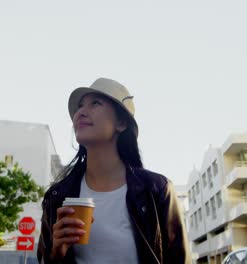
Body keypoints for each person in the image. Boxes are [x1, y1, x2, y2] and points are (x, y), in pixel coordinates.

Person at [37, 78, 190, 264]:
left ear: (121, 124)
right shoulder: (57, 197)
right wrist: (56, 252)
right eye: (79, 106)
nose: (81, 113)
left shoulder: (156, 190)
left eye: (95, 103)